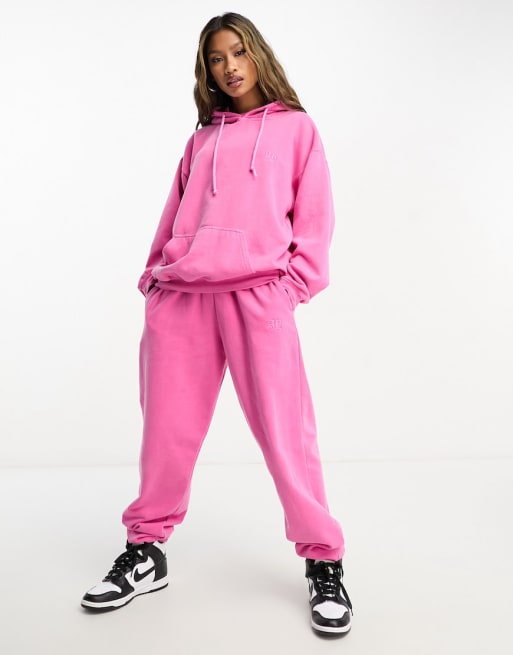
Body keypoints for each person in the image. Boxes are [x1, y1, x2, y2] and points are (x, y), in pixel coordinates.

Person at [81, 12, 353, 635]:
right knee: (166, 433)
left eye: (238, 52)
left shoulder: (297, 129)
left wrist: (292, 287)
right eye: (215, 58)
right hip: (183, 299)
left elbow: (315, 220)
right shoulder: (201, 139)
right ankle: (146, 551)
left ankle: (324, 561)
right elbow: (174, 212)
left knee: (286, 435)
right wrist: (154, 277)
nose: (229, 67)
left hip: (259, 296)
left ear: (258, 54)